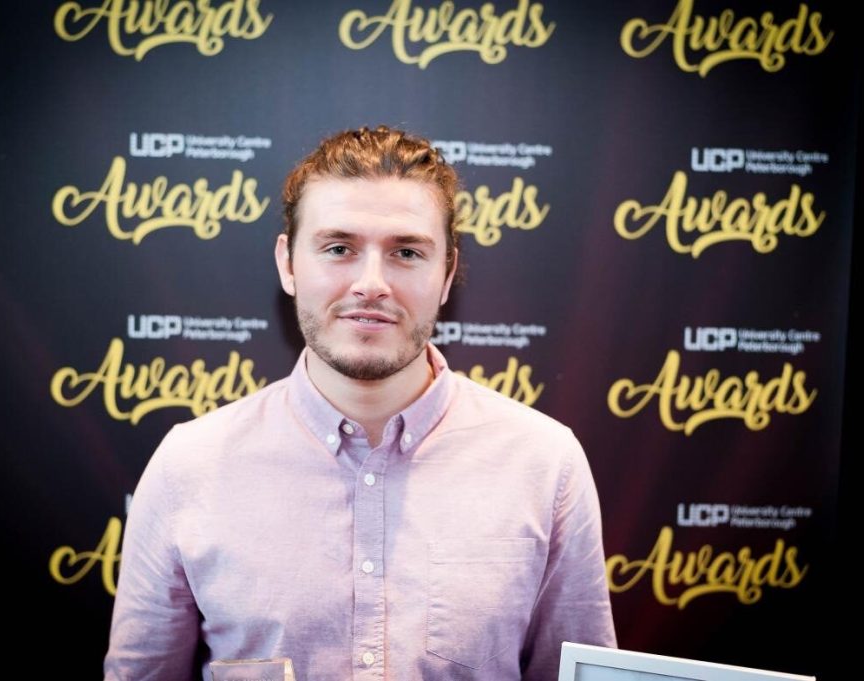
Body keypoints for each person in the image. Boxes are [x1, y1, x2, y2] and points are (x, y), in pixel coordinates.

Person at [104, 125, 616, 680]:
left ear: (447, 274)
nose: (372, 283)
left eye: (406, 252)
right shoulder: (190, 465)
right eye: (339, 248)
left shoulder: (544, 464)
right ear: (288, 264)